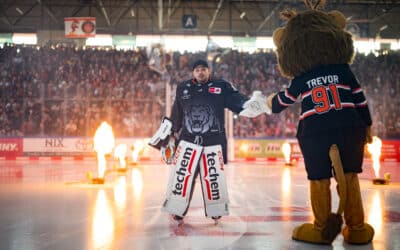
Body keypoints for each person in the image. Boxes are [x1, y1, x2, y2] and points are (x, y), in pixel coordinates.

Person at [149, 59, 269, 225]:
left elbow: (237, 100)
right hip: (188, 141)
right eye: (197, 70)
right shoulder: (183, 88)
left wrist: (250, 104)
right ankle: (178, 210)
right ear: (193, 72)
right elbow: (176, 113)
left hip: (213, 142)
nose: (200, 72)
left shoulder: (221, 86)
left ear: (208, 71)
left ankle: (216, 210)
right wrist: (168, 135)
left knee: (213, 177)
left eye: (203, 69)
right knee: (183, 177)